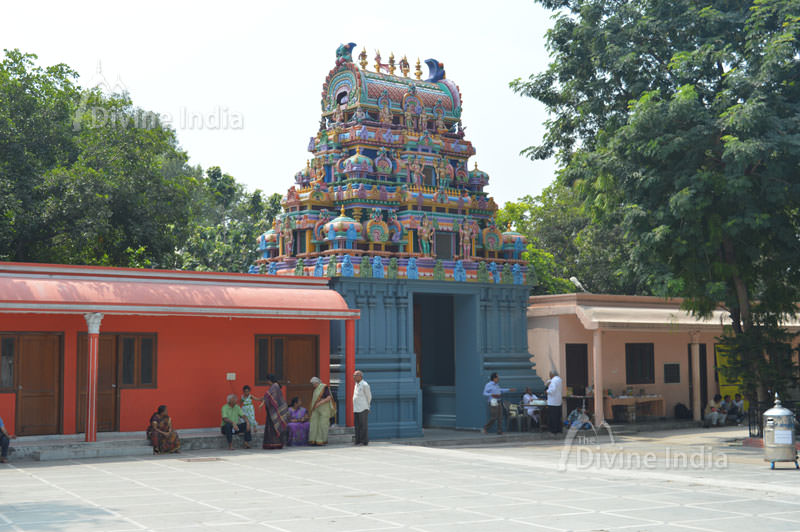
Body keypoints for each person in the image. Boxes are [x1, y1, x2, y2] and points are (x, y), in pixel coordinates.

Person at [261, 375, 288, 449]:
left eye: (268, 380)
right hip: (273, 410)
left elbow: (268, 395)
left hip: (275, 410)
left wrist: (264, 400)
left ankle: (274, 444)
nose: (267, 382)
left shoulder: (274, 386)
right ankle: (273, 444)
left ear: (270, 380)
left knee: (274, 427)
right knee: (273, 427)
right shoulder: (276, 386)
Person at [309, 376, 334, 446]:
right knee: (314, 423)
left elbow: (329, 397)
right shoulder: (315, 389)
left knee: (322, 424)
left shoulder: (324, 387)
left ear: (317, 382)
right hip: (316, 408)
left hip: (324, 408)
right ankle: (313, 440)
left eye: (313, 384)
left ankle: (321, 440)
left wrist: (319, 403)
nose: (313, 385)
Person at [353, 370, 372, 445]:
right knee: (357, 426)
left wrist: (368, 406)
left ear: (360, 376)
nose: (354, 377)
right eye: (353, 375)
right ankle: (358, 440)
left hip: (363, 408)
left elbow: (369, 396)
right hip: (356, 408)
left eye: (355, 375)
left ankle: (364, 441)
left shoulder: (365, 385)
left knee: (363, 426)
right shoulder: (356, 384)